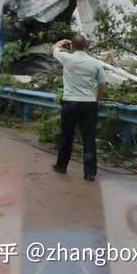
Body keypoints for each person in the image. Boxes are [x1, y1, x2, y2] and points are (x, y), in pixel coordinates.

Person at [51, 35, 106, 182]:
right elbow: (102, 83)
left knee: (66, 136)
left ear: (72, 46)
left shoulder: (67, 58)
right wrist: (97, 99)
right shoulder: (95, 63)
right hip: (89, 104)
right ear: (86, 45)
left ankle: (61, 166)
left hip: (70, 103)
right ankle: (89, 173)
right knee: (89, 139)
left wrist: (64, 42)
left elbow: (55, 48)